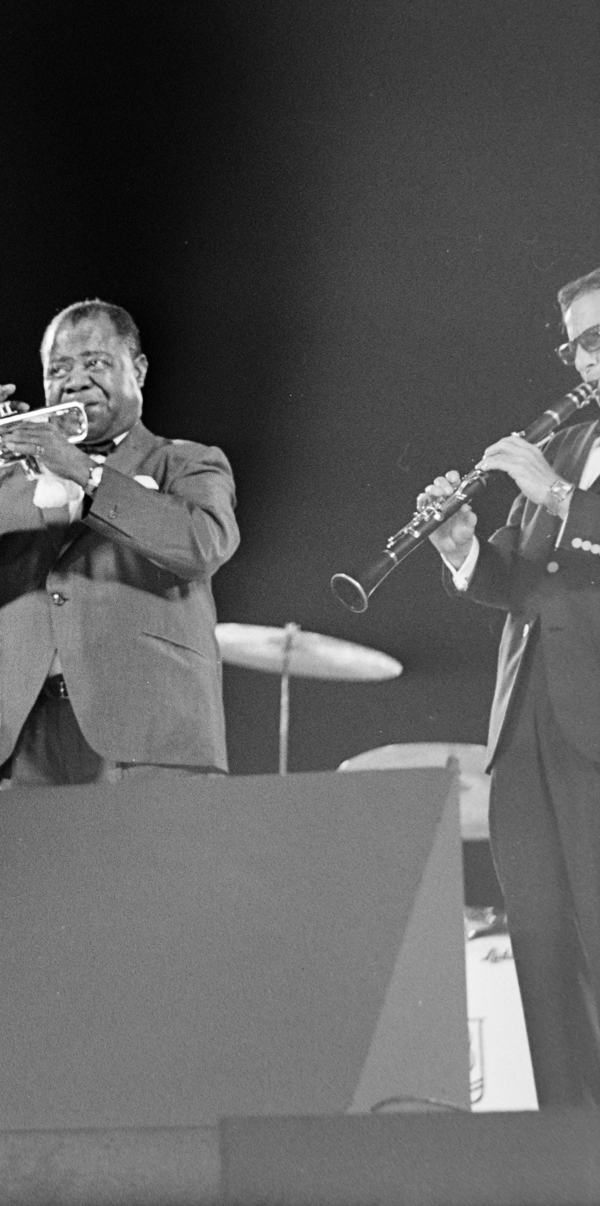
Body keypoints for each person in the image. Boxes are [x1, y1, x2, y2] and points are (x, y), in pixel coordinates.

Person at [0, 299, 238, 786]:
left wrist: (85, 473)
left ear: (140, 371)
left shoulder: (186, 462)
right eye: (58, 369)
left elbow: (202, 544)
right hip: (28, 739)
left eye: (97, 364)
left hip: (151, 740)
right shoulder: (11, 486)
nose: (75, 381)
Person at [423, 266, 600, 1108]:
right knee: (540, 950)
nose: (591, 360)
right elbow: (519, 579)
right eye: (582, 346)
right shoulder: (564, 443)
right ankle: (572, 1153)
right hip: (525, 726)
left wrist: (559, 497)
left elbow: (572, 528)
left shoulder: (552, 470)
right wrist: (462, 546)